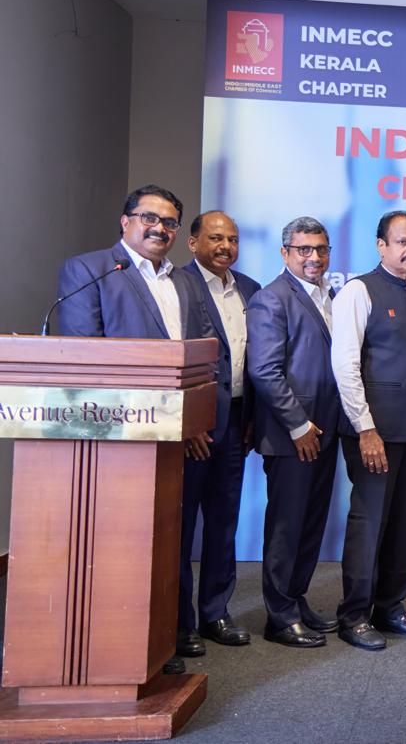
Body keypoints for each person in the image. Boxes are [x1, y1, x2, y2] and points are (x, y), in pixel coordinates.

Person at [57, 183, 215, 675]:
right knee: (123, 548)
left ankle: (167, 635)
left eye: (169, 222)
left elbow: (198, 354)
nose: (159, 228)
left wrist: (191, 419)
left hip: (176, 436)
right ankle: (119, 647)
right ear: (125, 221)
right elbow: (85, 359)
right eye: (149, 217)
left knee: (170, 540)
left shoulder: (186, 281)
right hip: (115, 441)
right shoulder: (90, 271)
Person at [331, 211, 406, 650]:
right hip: (373, 432)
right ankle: (354, 616)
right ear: (381, 245)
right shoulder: (358, 291)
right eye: (401, 242)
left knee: (402, 524)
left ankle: (390, 607)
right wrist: (365, 428)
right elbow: (344, 365)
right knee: (369, 523)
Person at [247, 217, 341, 649]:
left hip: (327, 429)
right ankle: (280, 616)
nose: (314, 257)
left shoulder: (330, 295)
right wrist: (299, 426)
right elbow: (265, 372)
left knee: (311, 523)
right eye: (304, 249)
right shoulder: (271, 299)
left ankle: (296, 601)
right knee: (286, 527)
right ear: (285, 253)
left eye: (320, 249)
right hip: (293, 436)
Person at [178, 211, 260, 657]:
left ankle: (215, 612)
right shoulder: (178, 286)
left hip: (236, 421)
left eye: (232, 239)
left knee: (224, 522)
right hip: (195, 425)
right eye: (215, 238)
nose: (225, 246)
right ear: (193, 243)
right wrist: (189, 420)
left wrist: (253, 419)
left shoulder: (250, 288)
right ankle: (180, 623)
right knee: (182, 526)